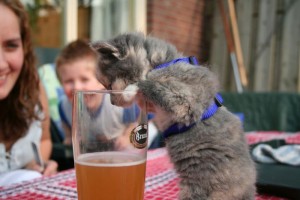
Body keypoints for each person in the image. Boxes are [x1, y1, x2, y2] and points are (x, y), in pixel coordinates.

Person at [0, 0, 57, 186]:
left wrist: (37, 164)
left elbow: (45, 140)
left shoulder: (32, 86)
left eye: (11, 46)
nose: (1, 64)